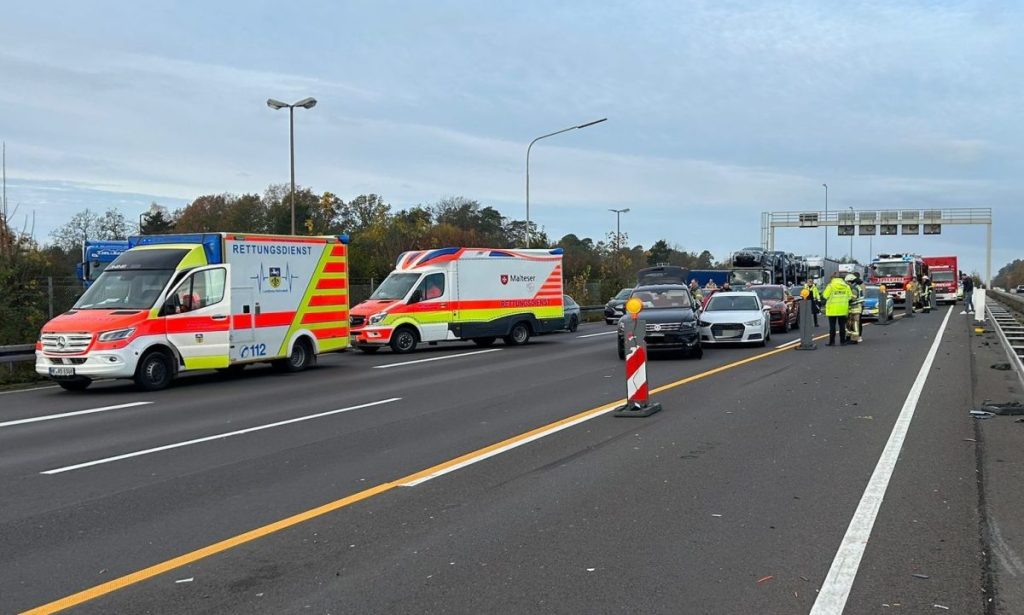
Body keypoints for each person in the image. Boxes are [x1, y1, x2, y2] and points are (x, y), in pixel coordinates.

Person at [822, 272, 852, 346]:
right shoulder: (846, 286)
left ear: (832, 279)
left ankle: (832, 342)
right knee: (842, 326)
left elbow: (825, 296)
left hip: (832, 310)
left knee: (832, 327)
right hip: (842, 309)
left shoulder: (830, 286)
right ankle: (842, 341)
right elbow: (850, 297)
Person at [845, 273, 864, 343]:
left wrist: (844, 300)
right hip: (853, 308)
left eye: (847, 282)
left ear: (850, 281)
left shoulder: (854, 288)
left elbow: (852, 298)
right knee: (850, 323)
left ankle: (854, 339)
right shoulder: (856, 287)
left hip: (855, 308)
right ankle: (849, 337)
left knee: (855, 324)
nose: (846, 283)